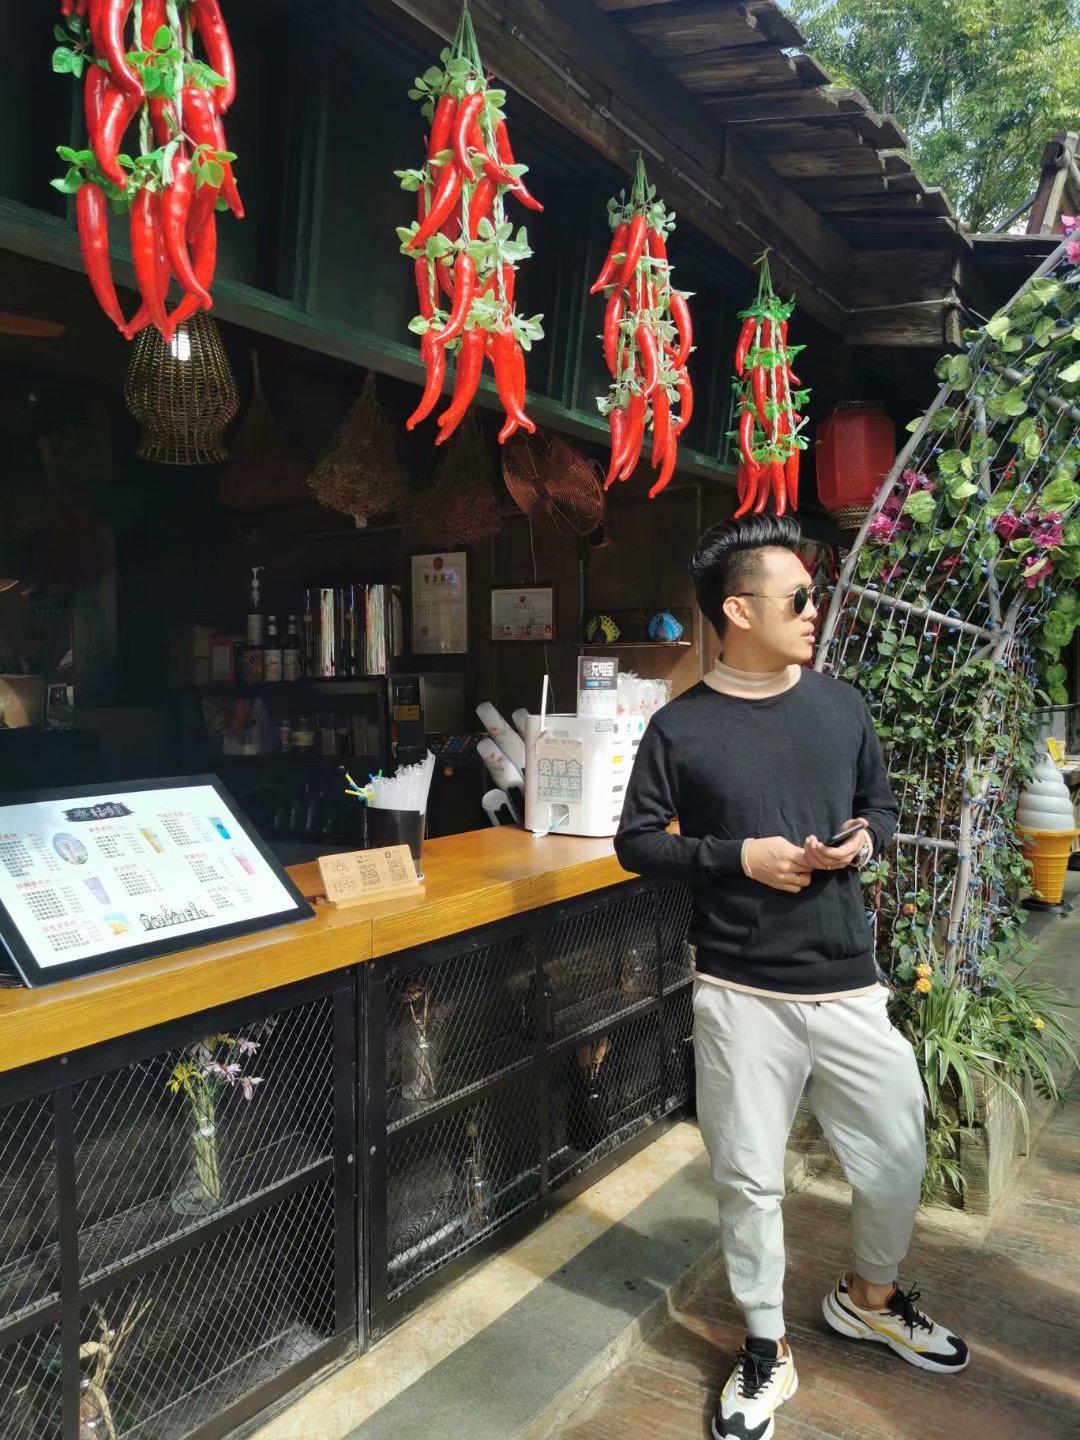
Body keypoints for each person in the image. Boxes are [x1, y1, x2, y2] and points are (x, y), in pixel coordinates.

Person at [614, 516, 968, 1440]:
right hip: (739, 990)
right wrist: (739, 857)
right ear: (739, 611)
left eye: (815, 596)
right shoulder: (681, 726)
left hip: (848, 981)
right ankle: (766, 1348)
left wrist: (863, 840)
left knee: (897, 1153)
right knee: (749, 1181)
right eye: (799, 597)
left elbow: (879, 805)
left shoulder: (841, 706)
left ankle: (870, 1299)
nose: (815, 610)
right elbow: (637, 843)